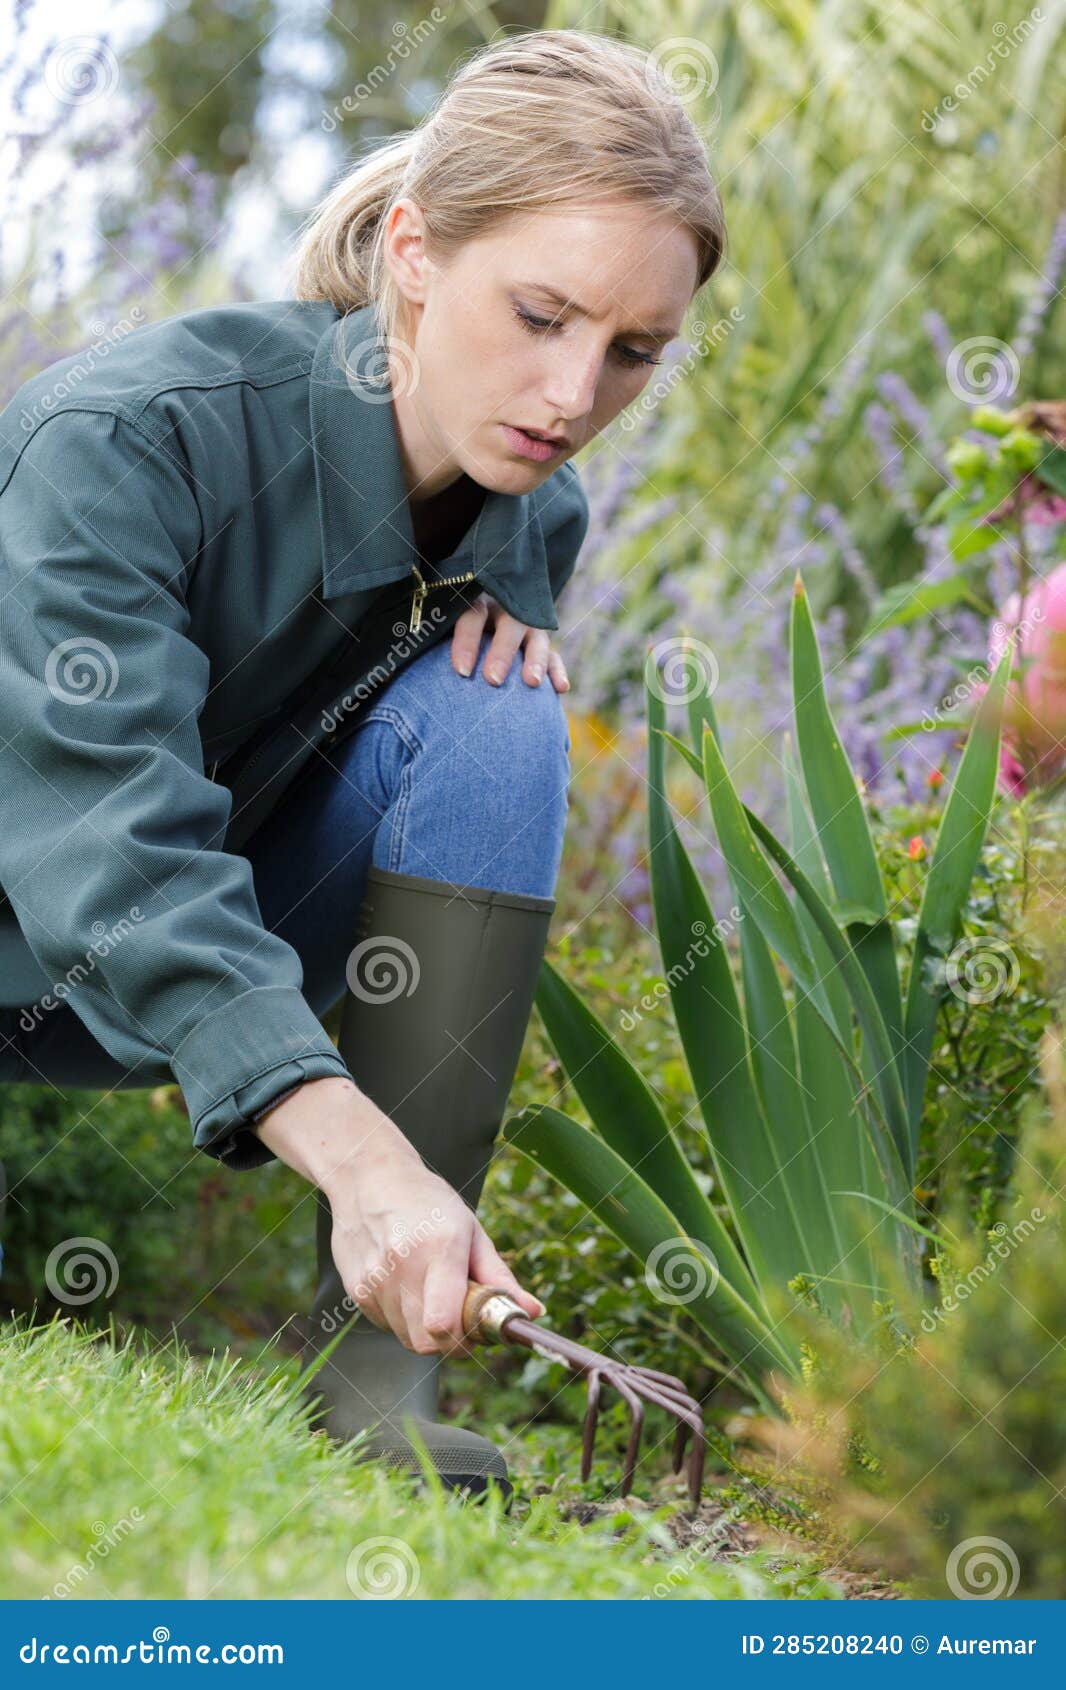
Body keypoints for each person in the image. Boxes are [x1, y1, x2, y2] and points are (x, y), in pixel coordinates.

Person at [0, 27, 724, 1504]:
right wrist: (358, 1157)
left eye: (632, 351)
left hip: (164, 974)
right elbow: (104, 832)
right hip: (53, 901)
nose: (573, 393)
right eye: (540, 315)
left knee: (503, 714)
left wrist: (507, 572)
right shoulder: (124, 443)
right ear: (412, 250)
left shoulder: (525, 504)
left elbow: (505, 569)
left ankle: (381, 1376)